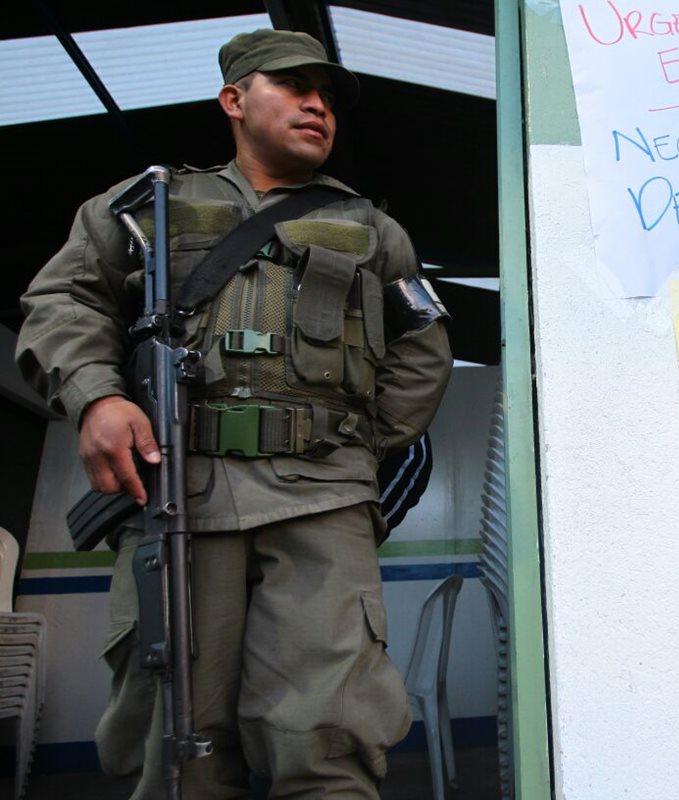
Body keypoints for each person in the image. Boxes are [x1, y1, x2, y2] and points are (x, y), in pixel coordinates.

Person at [16, 28, 452, 799]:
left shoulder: (372, 229)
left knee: (329, 732)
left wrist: (354, 447)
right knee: (180, 742)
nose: (317, 104)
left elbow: (424, 345)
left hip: (322, 501)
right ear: (234, 100)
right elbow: (62, 300)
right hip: (180, 493)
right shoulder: (143, 207)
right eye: (292, 86)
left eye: (327, 96)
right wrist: (100, 395)